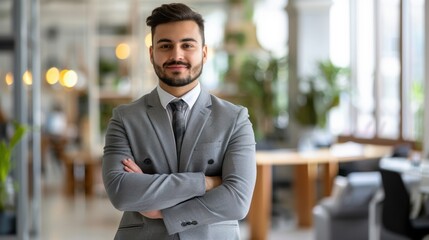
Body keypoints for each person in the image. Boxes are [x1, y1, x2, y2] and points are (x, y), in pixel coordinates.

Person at [102, 3, 256, 240]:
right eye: (165, 46)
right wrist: (206, 182)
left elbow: (237, 201)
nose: (176, 55)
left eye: (187, 45)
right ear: (152, 53)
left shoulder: (235, 119)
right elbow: (122, 193)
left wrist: (164, 211)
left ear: (204, 53)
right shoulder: (124, 118)